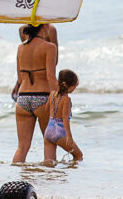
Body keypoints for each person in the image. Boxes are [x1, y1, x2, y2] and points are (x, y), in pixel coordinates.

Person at [12, 25, 58, 163]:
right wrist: (62, 96)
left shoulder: (21, 47)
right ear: (44, 27)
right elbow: (51, 77)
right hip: (42, 97)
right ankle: (50, 180)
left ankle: (16, 179)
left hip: (23, 98)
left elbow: (20, 78)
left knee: (22, 147)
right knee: (49, 142)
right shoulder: (49, 47)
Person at [43, 70, 82, 165]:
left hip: (49, 131)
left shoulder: (52, 94)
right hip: (60, 132)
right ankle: (68, 174)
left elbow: (46, 110)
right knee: (79, 156)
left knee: (49, 162)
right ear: (69, 86)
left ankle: (47, 178)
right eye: (75, 86)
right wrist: (69, 136)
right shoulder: (66, 100)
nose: (75, 89)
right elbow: (65, 118)